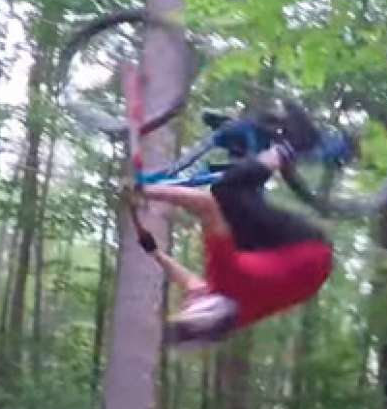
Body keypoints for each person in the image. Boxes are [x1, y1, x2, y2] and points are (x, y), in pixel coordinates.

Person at [136, 101, 333, 346]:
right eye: (187, 306)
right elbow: (206, 205)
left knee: (233, 219)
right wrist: (148, 190)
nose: (186, 300)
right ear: (205, 310)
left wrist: (155, 253)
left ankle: (246, 152)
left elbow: (190, 282)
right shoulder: (226, 277)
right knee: (226, 191)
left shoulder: (228, 313)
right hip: (307, 248)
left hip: (299, 269)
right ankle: (295, 144)